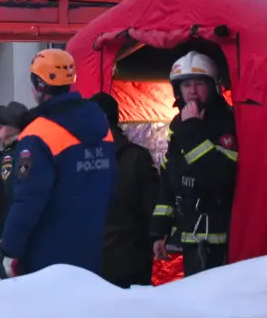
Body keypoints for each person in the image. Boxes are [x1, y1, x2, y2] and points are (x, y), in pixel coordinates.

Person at [0, 50, 114, 277]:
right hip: (92, 247)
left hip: (48, 255)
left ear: (39, 86)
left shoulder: (37, 135)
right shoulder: (101, 125)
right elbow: (110, 185)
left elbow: (28, 200)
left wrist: (9, 249)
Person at [152, 51, 240, 276]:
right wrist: (159, 232)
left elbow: (221, 176)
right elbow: (168, 178)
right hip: (188, 234)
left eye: (199, 84)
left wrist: (192, 132)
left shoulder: (227, 121)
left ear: (212, 86)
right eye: (186, 84)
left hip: (221, 236)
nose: (192, 91)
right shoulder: (177, 124)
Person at [92, 93, 162, 289]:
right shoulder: (137, 158)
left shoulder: (83, 159)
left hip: (99, 265)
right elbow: (152, 208)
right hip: (132, 263)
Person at [0, 100, 30, 267]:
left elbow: (7, 197)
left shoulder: (9, 158)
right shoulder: (27, 151)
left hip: (12, 233)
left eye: (1, 127)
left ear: (15, 128)